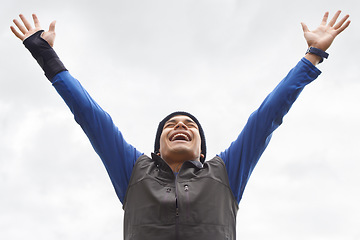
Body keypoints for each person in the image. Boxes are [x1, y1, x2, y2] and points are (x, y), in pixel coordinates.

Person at [11, 11, 350, 240]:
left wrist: (313, 55)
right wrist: (46, 56)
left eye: (190, 124)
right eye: (170, 125)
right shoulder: (132, 169)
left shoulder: (225, 171)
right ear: (158, 145)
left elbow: (267, 116)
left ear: (201, 147)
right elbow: (89, 115)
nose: (180, 126)